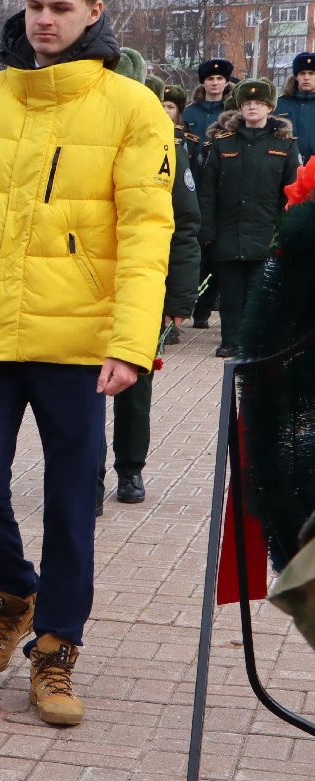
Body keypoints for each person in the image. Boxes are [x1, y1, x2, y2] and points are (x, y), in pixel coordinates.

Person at [0, 0, 174, 727]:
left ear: (94, 11)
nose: (45, 19)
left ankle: (57, 650)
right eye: (36, 6)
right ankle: (14, 595)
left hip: (77, 344)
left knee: (71, 505)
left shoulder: (132, 108)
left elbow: (146, 234)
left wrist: (130, 343)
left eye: (61, 7)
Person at [97, 66, 201, 508]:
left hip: (140, 287)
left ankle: (130, 470)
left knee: (133, 387)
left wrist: (179, 296)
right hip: (84, 287)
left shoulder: (166, 147)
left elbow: (183, 226)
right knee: (82, 394)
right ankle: (87, 476)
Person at [197, 76, 299, 359]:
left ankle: (253, 340)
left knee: (258, 292)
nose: (252, 108)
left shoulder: (286, 145)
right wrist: (207, 228)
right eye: (247, 103)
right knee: (230, 293)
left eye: (259, 103)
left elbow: (291, 194)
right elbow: (207, 190)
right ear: (240, 107)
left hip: (265, 230)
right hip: (228, 229)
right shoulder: (222, 143)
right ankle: (230, 339)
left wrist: (285, 231)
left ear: (269, 108)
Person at [184, 58, 234, 331]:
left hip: (221, 185)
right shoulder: (190, 113)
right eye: (210, 79)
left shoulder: (233, 112)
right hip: (193, 182)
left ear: (226, 82)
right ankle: (195, 307)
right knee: (196, 249)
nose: (215, 83)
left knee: (216, 251)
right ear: (203, 82)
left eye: (219, 79)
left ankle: (205, 309)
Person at [274, 51, 315, 161]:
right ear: (296, 76)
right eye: (302, 73)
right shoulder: (279, 105)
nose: (306, 77)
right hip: (286, 169)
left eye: (311, 73)